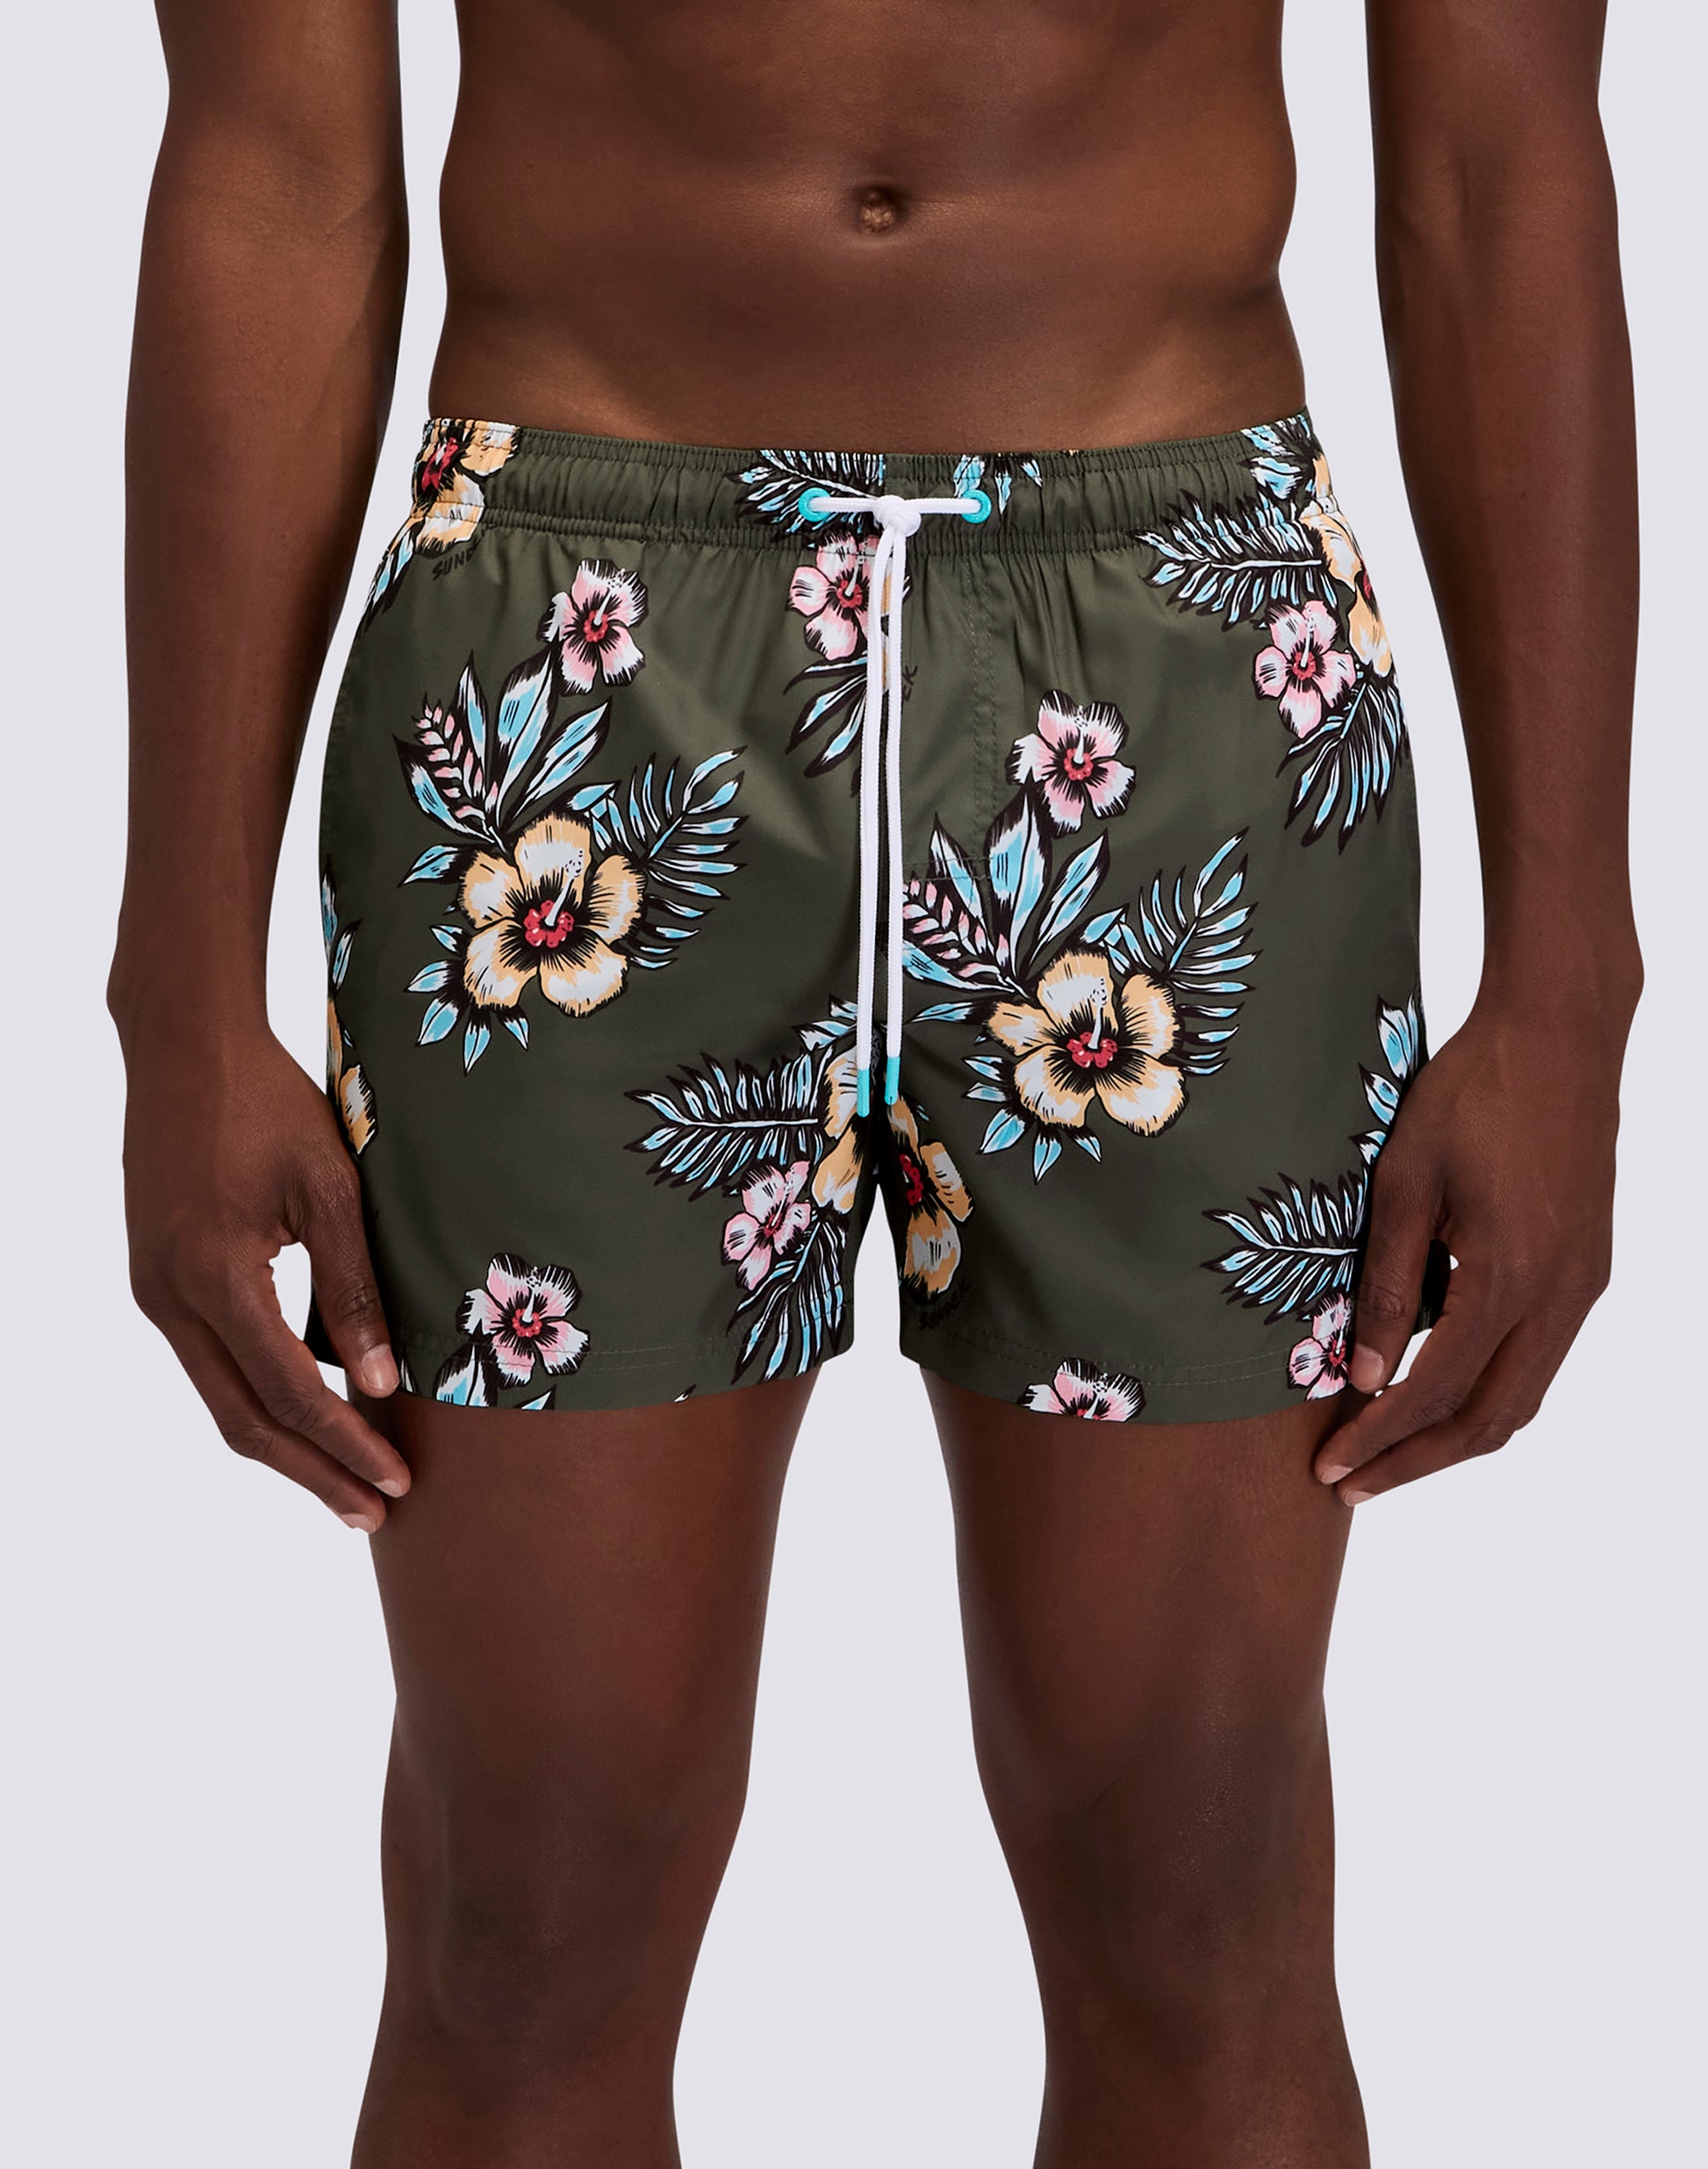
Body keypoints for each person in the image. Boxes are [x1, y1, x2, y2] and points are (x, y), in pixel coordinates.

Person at [111, 1, 1640, 2162]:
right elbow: (272, 169)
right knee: (529, 1890)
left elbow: (1501, 164)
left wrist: (1570, 971)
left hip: (1182, 655)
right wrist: (178, 981)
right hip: (567, 656)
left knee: (1191, 1872)